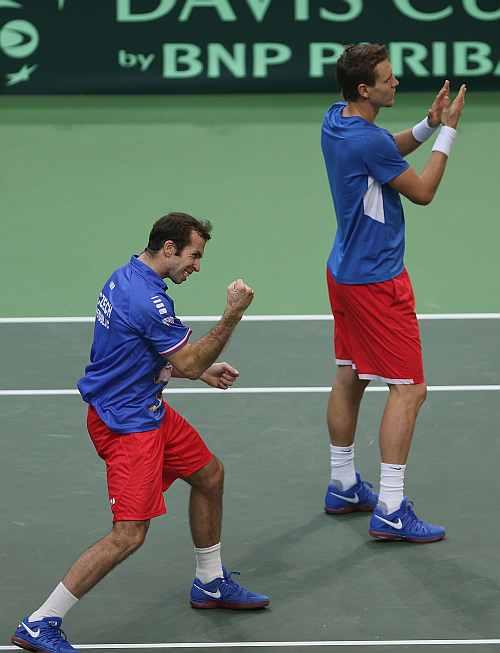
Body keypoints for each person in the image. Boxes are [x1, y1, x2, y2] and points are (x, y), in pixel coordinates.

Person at [12, 212, 270, 653]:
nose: (197, 266)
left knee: (209, 475)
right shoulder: (148, 301)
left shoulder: (124, 276)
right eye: (194, 256)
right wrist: (230, 317)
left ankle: (209, 582)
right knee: (129, 534)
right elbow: (186, 359)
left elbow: (137, 351)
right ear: (169, 249)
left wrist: (199, 372)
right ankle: (40, 622)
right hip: (126, 424)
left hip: (144, 406)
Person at [321, 44, 466, 542]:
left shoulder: (337, 121)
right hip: (377, 281)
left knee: (352, 373)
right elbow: (422, 191)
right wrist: (448, 131)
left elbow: (384, 152)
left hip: (342, 271)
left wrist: (425, 126)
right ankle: (390, 506)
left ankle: (342, 484)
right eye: (388, 77)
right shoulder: (367, 142)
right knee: (409, 388)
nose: (396, 82)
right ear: (365, 89)